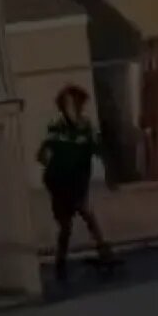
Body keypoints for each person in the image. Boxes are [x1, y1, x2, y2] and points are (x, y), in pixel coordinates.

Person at [37, 84, 115, 283]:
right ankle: (61, 264)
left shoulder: (86, 128)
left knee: (88, 215)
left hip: (78, 182)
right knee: (66, 226)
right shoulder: (57, 127)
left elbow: (99, 150)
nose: (74, 109)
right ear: (63, 107)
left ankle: (104, 253)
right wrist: (47, 159)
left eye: (76, 104)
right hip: (60, 182)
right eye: (68, 105)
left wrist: (109, 174)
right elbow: (43, 152)